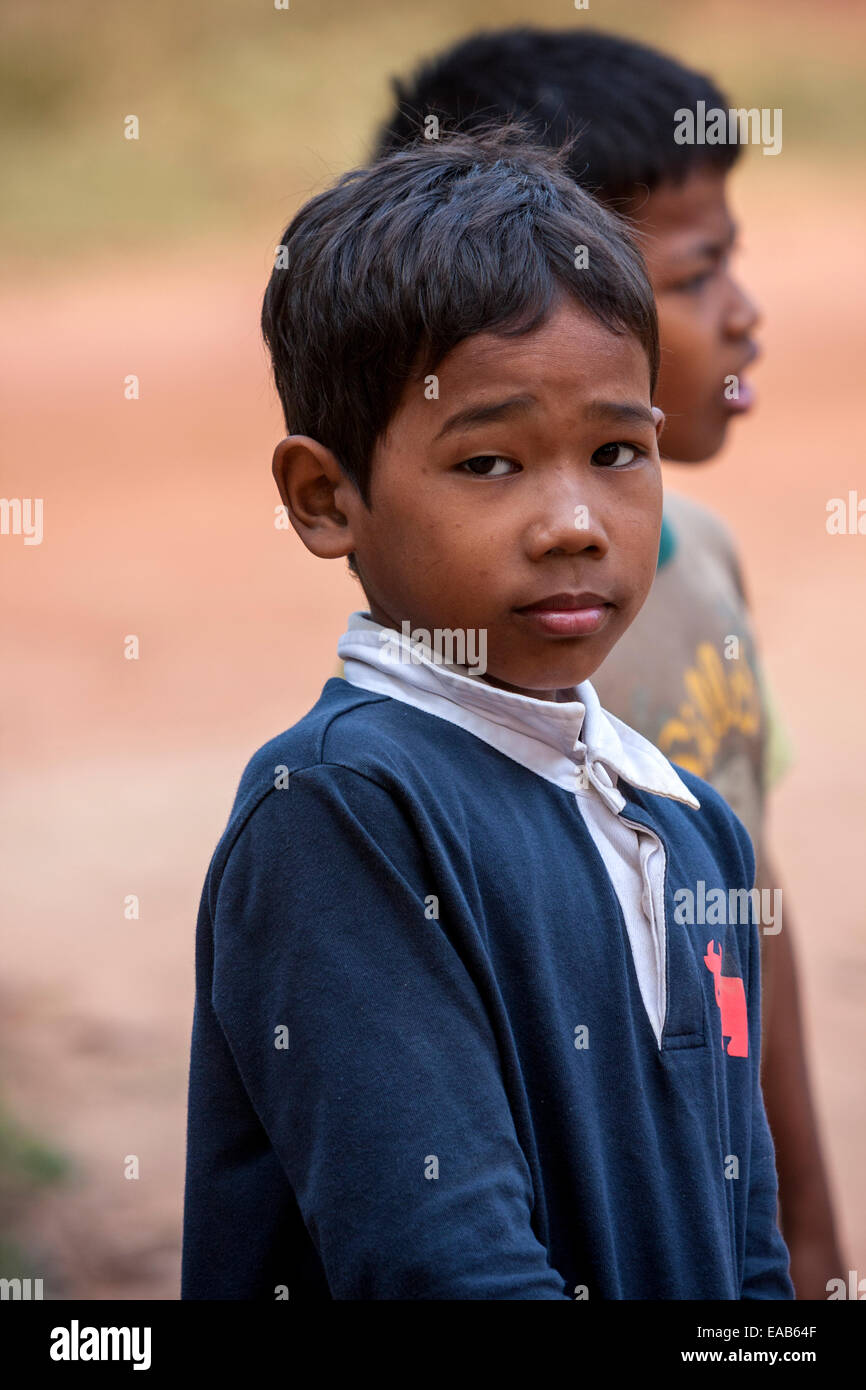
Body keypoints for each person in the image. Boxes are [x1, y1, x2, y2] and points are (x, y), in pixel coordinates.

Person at [181, 127, 793, 1299]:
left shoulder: (689, 821)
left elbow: (743, 1257)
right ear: (325, 498)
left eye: (616, 448)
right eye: (489, 464)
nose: (573, 521)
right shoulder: (345, 811)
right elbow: (443, 1269)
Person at [371, 27, 844, 1300]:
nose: (740, 313)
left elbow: (743, 887)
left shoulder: (694, 563)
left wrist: (801, 1226)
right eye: (695, 275)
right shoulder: (544, 638)